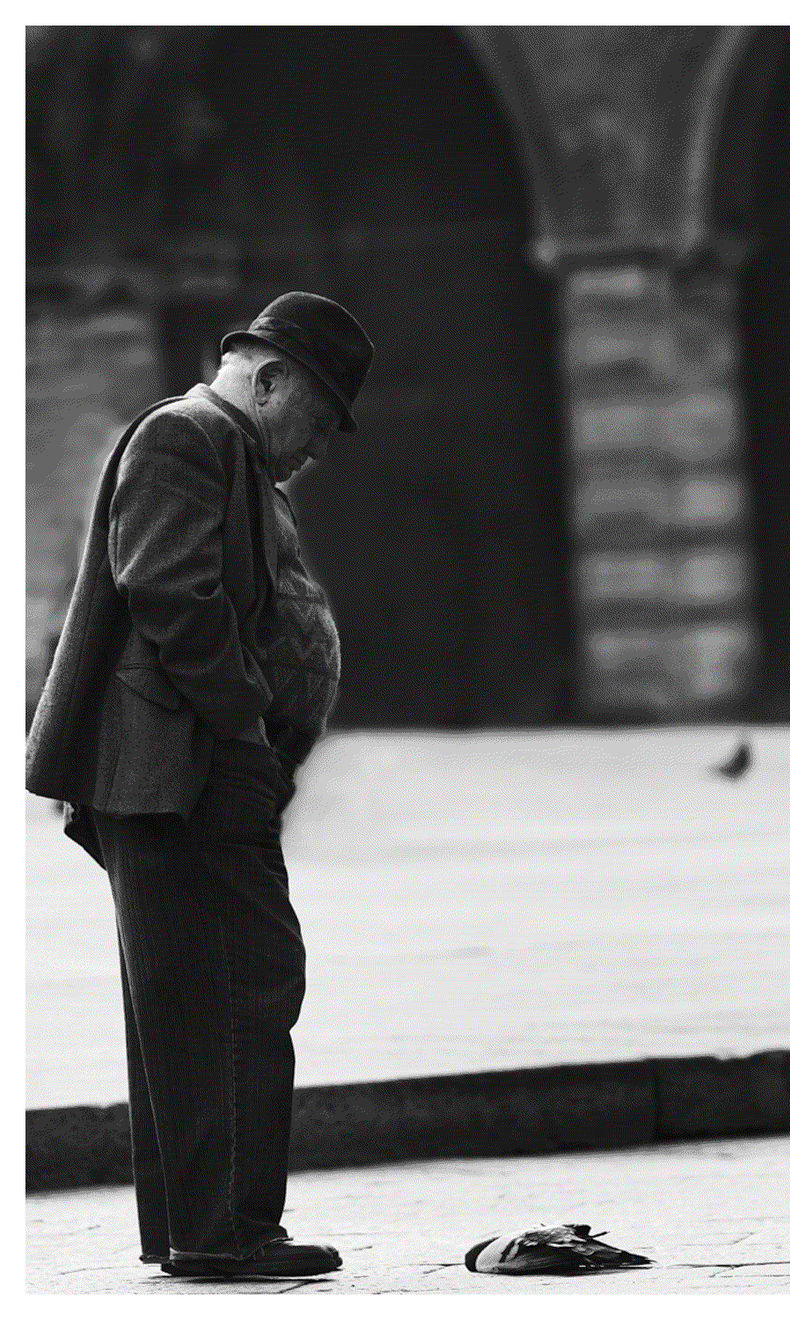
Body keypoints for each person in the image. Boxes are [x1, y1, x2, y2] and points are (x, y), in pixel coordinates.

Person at [25, 292, 374, 1279]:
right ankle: (226, 1232)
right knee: (244, 979)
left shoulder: (226, 448)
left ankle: (197, 1229)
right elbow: (170, 591)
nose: (317, 449)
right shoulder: (189, 436)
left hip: (190, 769)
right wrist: (246, 728)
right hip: (187, 770)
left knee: (192, 996)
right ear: (271, 380)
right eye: (317, 419)